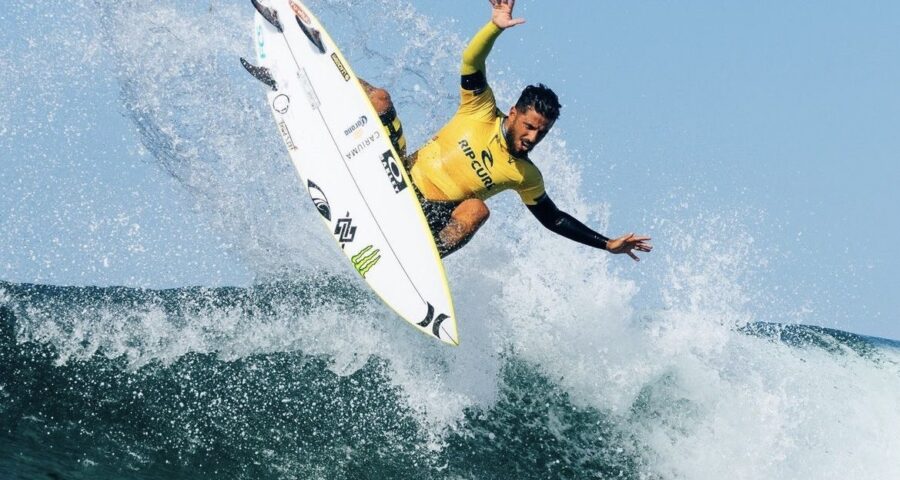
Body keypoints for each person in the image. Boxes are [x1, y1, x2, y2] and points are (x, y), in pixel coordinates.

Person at [363, 0, 652, 260]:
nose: (533, 138)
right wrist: (494, 27)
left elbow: (553, 218)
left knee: (477, 209)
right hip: (396, 174)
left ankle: (420, 262)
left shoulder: (525, 175)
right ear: (513, 113)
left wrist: (607, 243)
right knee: (380, 99)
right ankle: (320, 74)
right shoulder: (480, 109)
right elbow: (471, 61)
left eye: (542, 133)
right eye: (529, 127)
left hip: (429, 219)